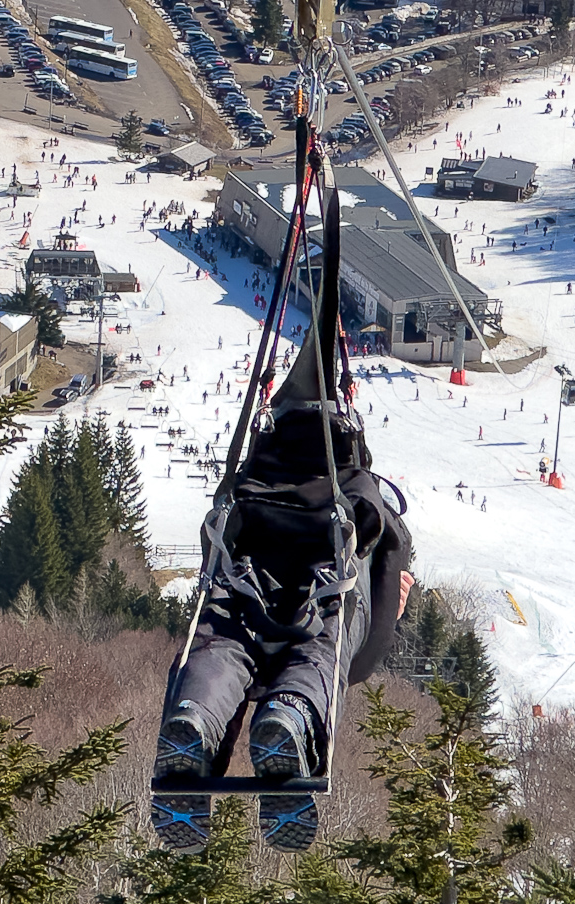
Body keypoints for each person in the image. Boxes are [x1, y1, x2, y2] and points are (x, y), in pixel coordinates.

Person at [152, 345, 412, 854]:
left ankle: (196, 712)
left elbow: (214, 552)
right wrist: (379, 633)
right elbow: (374, 617)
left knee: (221, 649)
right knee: (316, 660)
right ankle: (291, 715)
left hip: (241, 599)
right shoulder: (361, 493)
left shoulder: (248, 482)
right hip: (322, 608)